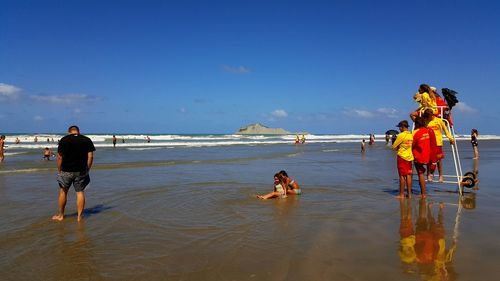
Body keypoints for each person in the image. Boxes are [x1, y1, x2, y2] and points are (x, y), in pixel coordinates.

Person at [52, 125, 96, 222]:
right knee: (80, 192)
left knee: (63, 192)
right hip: (81, 171)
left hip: (66, 170)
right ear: (78, 131)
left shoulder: (64, 140)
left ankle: (61, 216)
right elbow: (90, 157)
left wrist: (59, 170)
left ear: (69, 132)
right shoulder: (86, 140)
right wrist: (87, 169)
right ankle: (79, 217)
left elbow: (60, 157)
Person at [423, 109, 454, 182]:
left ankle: (441, 176)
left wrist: (450, 138)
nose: (427, 118)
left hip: (438, 143)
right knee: (429, 160)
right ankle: (429, 175)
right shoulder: (425, 121)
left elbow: (446, 130)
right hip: (428, 143)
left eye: (428, 117)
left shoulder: (439, 121)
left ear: (431, 115)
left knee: (439, 160)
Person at [393, 120, 414, 198]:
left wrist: (398, 148)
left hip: (402, 157)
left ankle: (401, 194)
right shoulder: (411, 134)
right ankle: (409, 194)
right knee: (408, 175)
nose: (399, 129)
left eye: (399, 127)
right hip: (410, 157)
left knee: (402, 176)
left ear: (402, 127)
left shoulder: (401, 135)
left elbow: (394, 146)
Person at [412, 117, 431, 198]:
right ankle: (429, 174)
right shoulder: (429, 130)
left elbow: (412, 145)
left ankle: (423, 193)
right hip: (429, 154)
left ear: (416, 124)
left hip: (419, 155)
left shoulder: (415, 132)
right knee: (423, 172)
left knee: (420, 174)